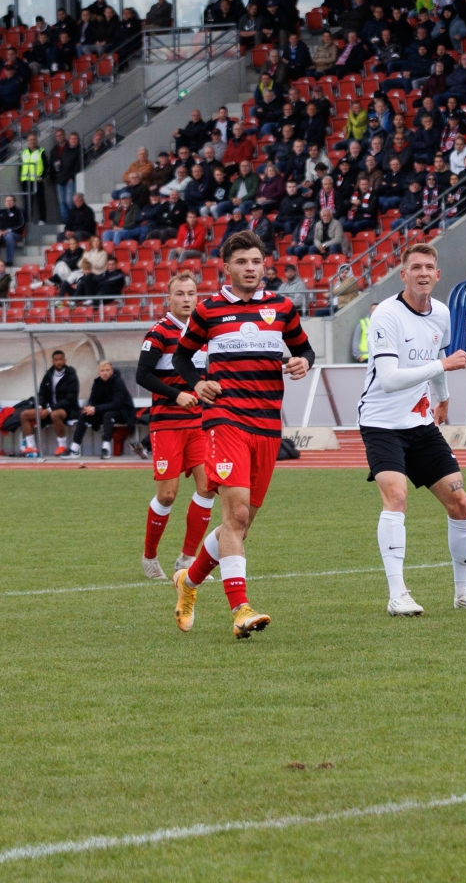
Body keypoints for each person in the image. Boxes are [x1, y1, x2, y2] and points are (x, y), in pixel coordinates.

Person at [169, 231, 315, 641]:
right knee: (234, 516)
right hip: (225, 420)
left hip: (267, 426)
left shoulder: (282, 308)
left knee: (242, 524)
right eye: (242, 262)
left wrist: (303, 362)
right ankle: (240, 610)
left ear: (264, 265)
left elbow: (305, 349)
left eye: (256, 261)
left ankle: (188, 582)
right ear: (226, 267)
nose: (250, 268)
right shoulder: (208, 310)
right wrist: (198, 383)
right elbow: (181, 356)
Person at [360, 243, 466, 617]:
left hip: (420, 424)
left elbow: (437, 358)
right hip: (382, 423)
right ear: (403, 274)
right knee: (396, 496)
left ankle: (463, 593)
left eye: (429, 267)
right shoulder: (386, 315)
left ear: (437, 274)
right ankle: (397, 594)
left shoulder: (442, 313)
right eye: (415, 267)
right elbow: (389, 379)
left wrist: (442, 397)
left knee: (460, 503)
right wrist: (442, 369)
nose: (423, 273)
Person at [134, 271, 215, 579]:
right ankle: (149, 556)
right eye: (180, 294)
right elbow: (142, 375)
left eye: (191, 293)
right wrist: (176, 395)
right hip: (167, 424)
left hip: (199, 423)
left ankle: (187, 559)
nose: (186, 299)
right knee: (167, 495)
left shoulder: (203, 335)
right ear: (169, 298)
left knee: (207, 487)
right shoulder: (159, 332)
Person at [70, 359, 137, 457]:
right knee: (84, 415)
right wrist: (90, 408)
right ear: (98, 372)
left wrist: (96, 409)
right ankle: (74, 448)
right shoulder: (97, 383)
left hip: (122, 412)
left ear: (112, 371)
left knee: (108, 415)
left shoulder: (118, 382)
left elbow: (117, 404)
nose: (105, 373)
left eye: (107, 370)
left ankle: (106, 448)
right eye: (102, 370)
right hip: (103, 411)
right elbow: (92, 400)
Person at [24, 348, 80, 455]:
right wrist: (40, 406)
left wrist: (49, 409)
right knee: (24, 415)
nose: (59, 362)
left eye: (61, 359)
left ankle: (62, 446)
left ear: (65, 360)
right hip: (49, 409)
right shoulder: (48, 375)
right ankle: (31, 447)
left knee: (55, 414)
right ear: (52, 361)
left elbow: (70, 399)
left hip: (68, 410)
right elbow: (41, 394)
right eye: (56, 360)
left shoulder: (71, 376)